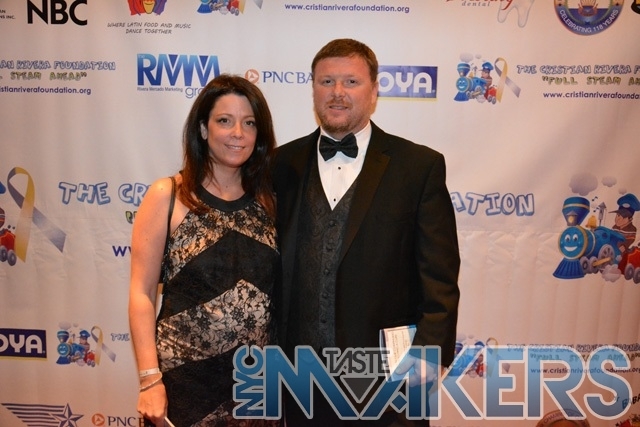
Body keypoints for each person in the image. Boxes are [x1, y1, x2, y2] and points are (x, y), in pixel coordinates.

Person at [272, 38, 461, 425]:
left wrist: (430, 351)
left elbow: (439, 275)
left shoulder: (418, 166)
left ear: (374, 91)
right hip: (300, 376)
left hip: (391, 377)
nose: (337, 93)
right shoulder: (280, 163)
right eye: (326, 82)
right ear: (313, 89)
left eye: (351, 82)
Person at [128, 74, 280, 426]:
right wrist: (149, 380)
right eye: (225, 121)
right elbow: (141, 293)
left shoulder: (269, 201)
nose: (238, 133)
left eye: (249, 123)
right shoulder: (168, 195)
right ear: (203, 129)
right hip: (183, 386)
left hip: (255, 388)